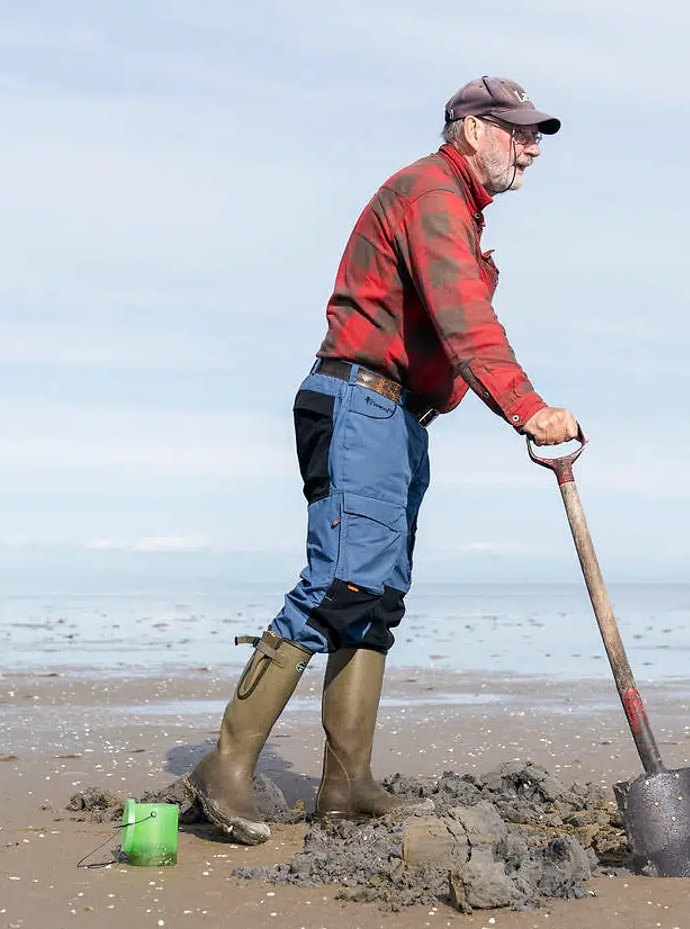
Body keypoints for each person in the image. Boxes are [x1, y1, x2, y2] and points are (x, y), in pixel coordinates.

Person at [185, 76, 580, 844]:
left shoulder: (458, 208)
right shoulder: (430, 192)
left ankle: (346, 788)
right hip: (358, 402)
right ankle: (224, 767)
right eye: (518, 131)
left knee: (375, 597)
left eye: (537, 136)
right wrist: (526, 407)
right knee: (339, 579)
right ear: (471, 130)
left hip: (398, 416)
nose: (531, 148)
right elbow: (465, 318)